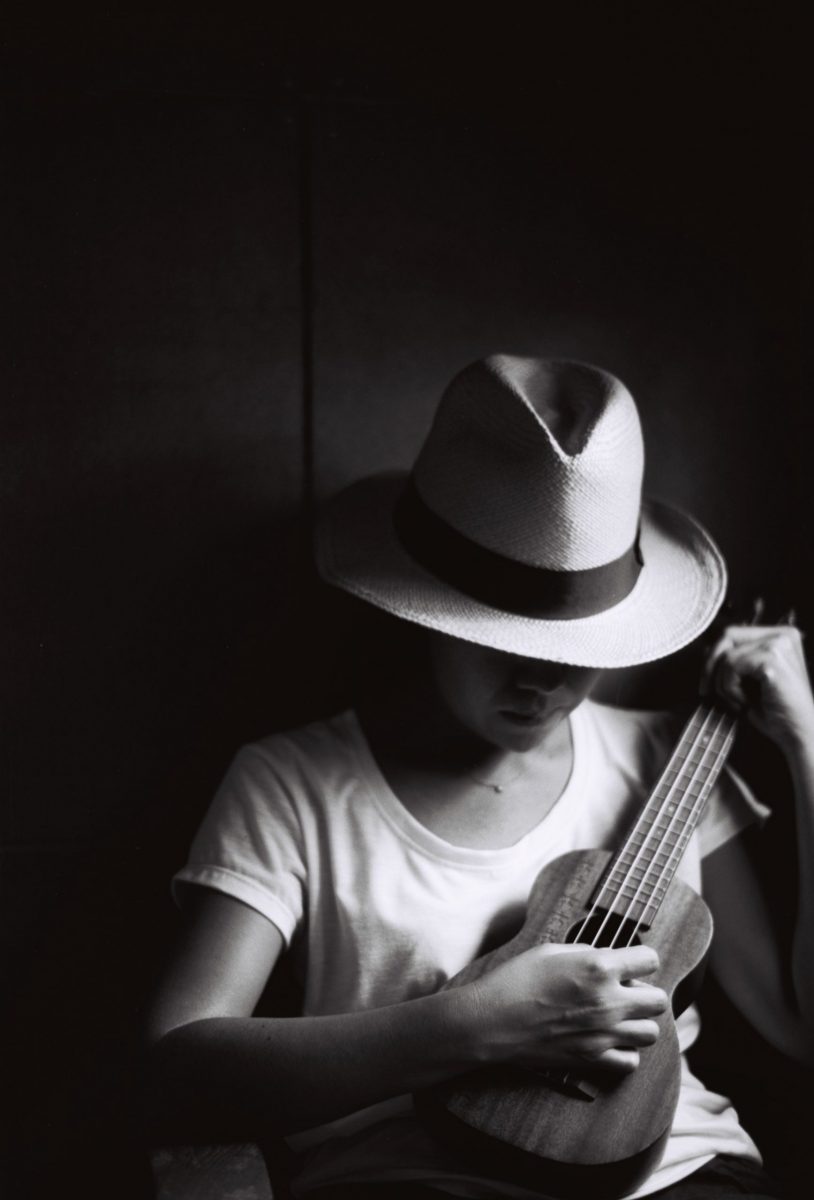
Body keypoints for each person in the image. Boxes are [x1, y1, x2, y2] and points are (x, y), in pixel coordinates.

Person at [145, 356, 814, 1199]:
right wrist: (475, 1024)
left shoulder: (669, 762)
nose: (542, 680)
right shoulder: (291, 783)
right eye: (503, 637)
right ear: (425, 606)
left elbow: (799, 1027)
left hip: (683, 1174)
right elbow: (175, 1069)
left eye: (578, 646)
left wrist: (807, 743)